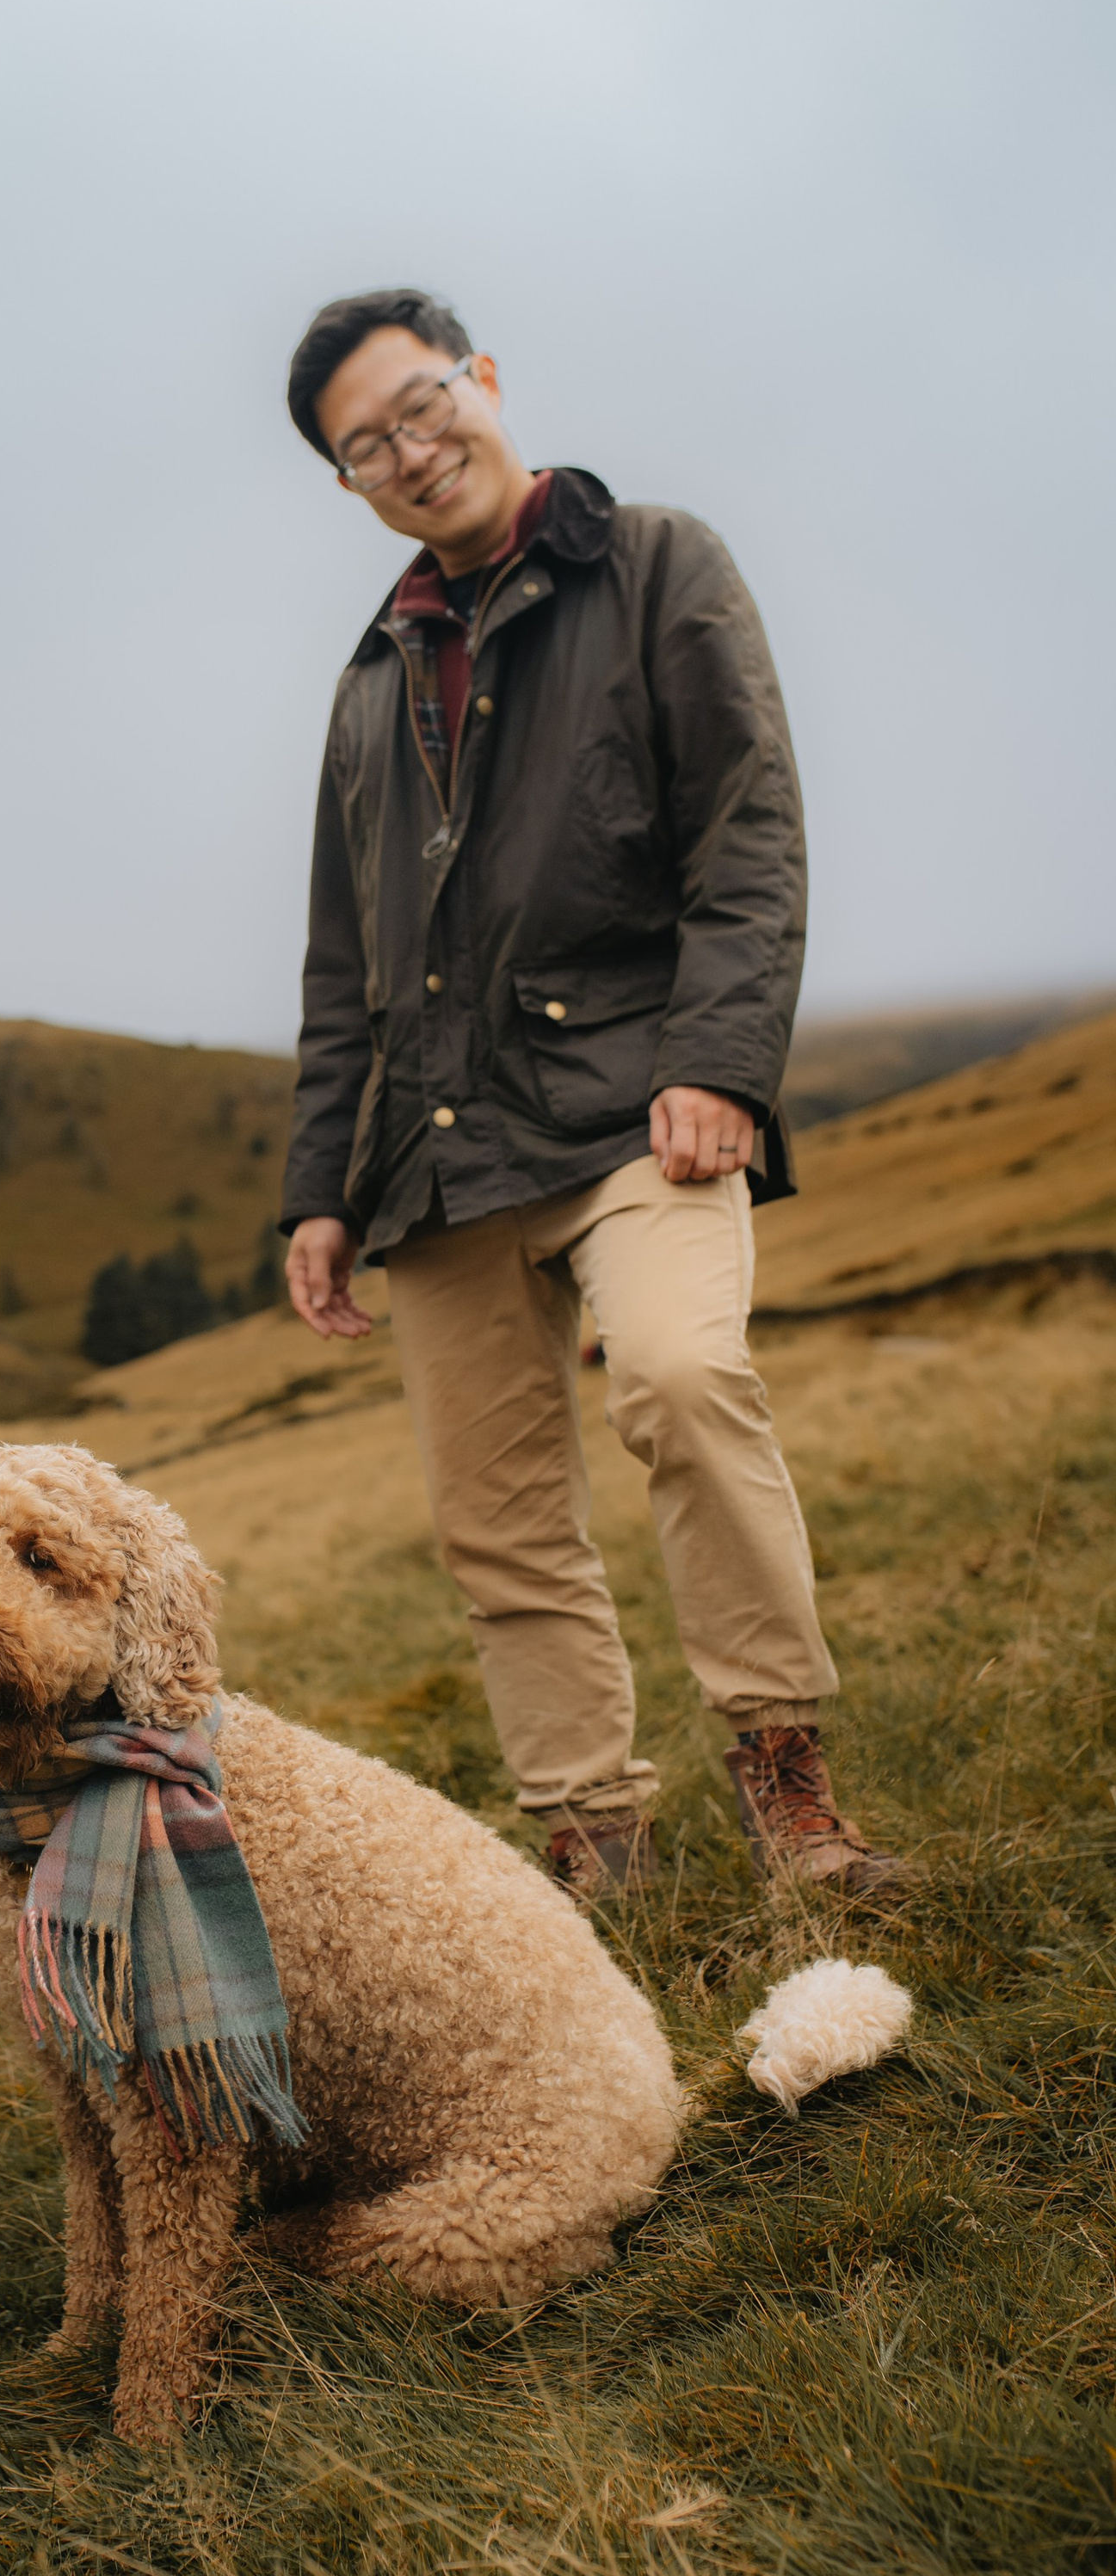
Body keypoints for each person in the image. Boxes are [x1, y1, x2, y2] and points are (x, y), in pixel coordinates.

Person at [276, 289, 904, 1902]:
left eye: (425, 405)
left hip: (641, 1102)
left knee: (683, 1377)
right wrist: (318, 1189)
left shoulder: (659, 565)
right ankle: (597, 1839)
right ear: (349, 483)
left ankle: (785, 1781)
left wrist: (721, 1062)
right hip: (434, 1157)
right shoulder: (369, 683)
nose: (414, 451)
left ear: (483, 380)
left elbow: (747, 829)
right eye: (369, 445)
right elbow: (344, 963)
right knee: (497, 1524)